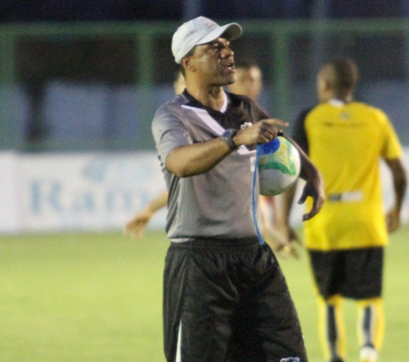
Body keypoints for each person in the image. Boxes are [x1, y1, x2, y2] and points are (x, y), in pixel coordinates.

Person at [152, 17, 324, 362]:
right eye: (216, 47)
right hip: (196, 259)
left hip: (253, 258)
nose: (229, 53)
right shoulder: (171, 115)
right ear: (188, 61)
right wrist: (235, 139)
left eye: (229, 46)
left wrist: (311, 173)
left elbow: (280, 144)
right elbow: (181, 163)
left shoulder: (245, 107)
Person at [284, 57, 407, 362]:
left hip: (324, 224)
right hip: (367, 223)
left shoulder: (309, 118)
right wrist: (396, 206)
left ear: (324, 85)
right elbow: (399, 172)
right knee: (370, 299)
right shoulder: (375, 118)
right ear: (352, 86)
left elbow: (294, 170)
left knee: (329, 301)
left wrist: (282, 222)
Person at [126, 63, 297, 257]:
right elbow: (188, 183)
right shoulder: (181, 125)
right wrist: (149, 209)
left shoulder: (233, 121)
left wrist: (276, 226)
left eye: (255, 80)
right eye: (183, 84)